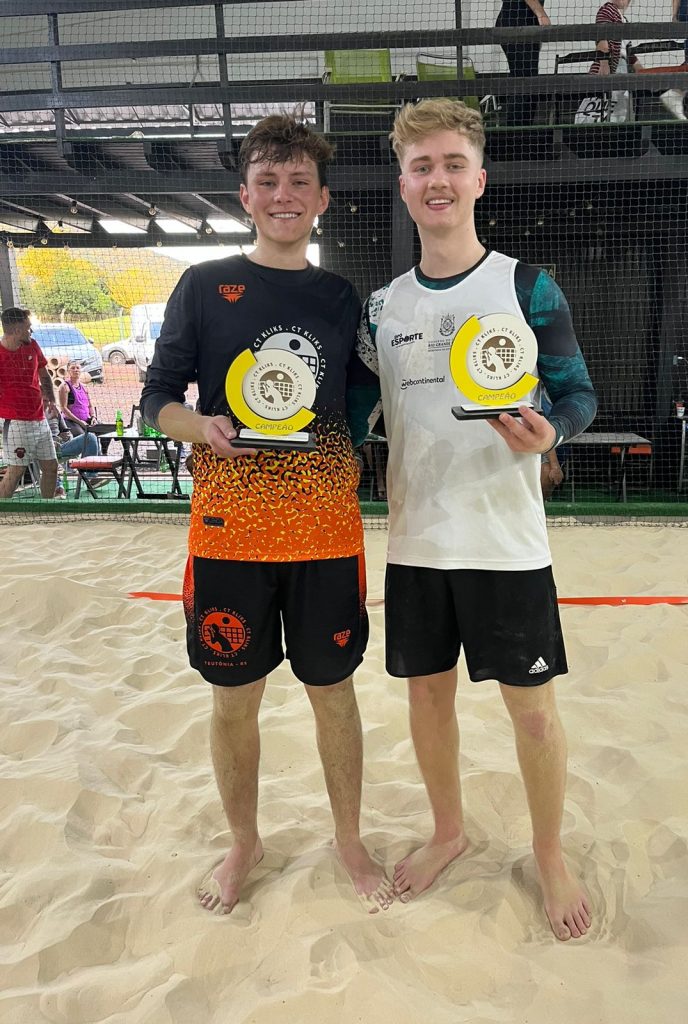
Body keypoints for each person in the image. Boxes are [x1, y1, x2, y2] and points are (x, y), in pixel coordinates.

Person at [356, 100, 597, 940]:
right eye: (422, 166)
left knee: (532, 711)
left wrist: (551, 433)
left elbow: (577, 393)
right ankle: (449, 831)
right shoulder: (382, 309)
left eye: (453, 164)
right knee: (429, 700)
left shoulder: (526, 286)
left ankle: (549, 851)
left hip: (506, 542)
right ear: (403, 185)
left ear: (480, 179)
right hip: (418, 543)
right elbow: (349, 415)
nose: (439, 180)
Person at [139, 114, 391, 916]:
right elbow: (155, 400)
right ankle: (244, 842)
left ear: (322, 198)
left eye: (299, 182)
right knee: (233, 699)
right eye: (268, 181)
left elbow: (361, 404)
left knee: (334, 693)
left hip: (324, 534)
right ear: (245, 196)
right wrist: (202, 427)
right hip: (230, 532)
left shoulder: (341, 298)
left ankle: (348, 838)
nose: (284, 194)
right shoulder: (204, 285)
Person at [0, 306, 58, 500]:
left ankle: (47, 509)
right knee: (16, 470)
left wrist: (51, 399)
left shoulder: (32, 345)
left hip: (39, 418)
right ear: (17, 330)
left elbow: (44, 374)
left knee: (51, 467)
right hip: (15, 422)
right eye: (27, 327)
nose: (30, 331)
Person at [496, 0, 550, 126]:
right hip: (516, 22)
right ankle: (516, 130)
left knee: (526, 80)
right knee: (524, 80)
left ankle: (522, 129)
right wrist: (541, 14)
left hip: (523, 23)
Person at [45, 404, 103, 497]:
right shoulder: (32, 414)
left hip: (61, 446)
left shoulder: (53, 409)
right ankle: (57, 487)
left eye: (48, 399)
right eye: (44, 400)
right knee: (46, 450)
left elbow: (65, 429)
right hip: (45, 448)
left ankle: (91, 478)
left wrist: (66, 435)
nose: (47, 402)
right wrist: (52, 440)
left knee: (90, 437)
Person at [58, 361, 95, 435]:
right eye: (73, 368)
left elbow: (90, 406)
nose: (76, 370)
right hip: (70, 421)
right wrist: (80, 422)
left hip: (86, 421)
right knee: (86, 437)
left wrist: (93, 417)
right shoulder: (65, 386)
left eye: (78, 368)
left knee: (104, 431)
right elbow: (63, 408)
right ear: (68, 371)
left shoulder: (84, 387)